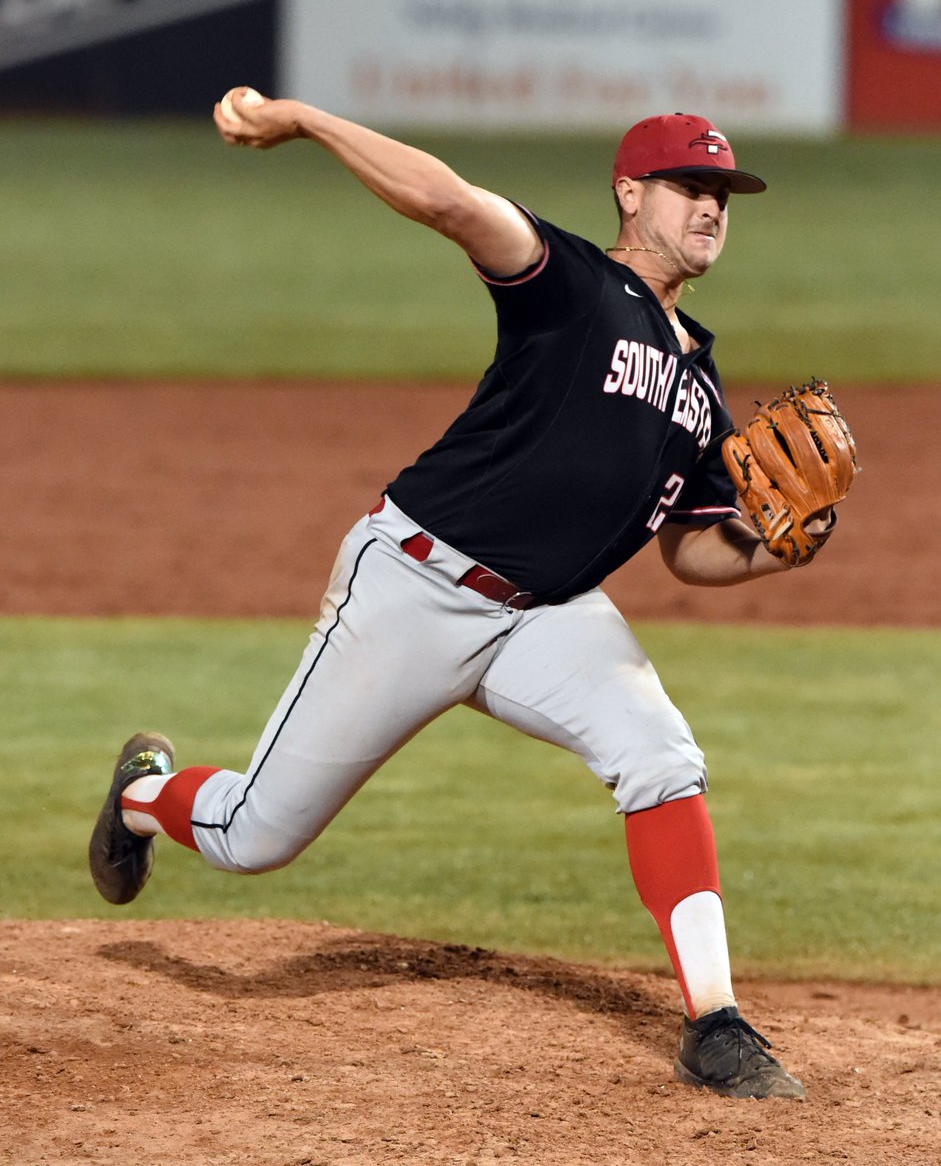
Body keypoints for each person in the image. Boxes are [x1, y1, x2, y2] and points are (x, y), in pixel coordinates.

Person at [90, 91, 812, 1100]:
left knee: (660, 757)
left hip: (548, 617)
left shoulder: (700, 380)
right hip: (417, 586)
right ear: (628, 192)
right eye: (687, 186)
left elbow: (693, 554)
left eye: (721, 193)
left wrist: (782, 547)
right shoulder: (571, 283)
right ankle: (140, 792)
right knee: (255, 836)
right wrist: (304, 119)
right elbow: (447, 202)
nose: (708, 208)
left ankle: (717, 1024)